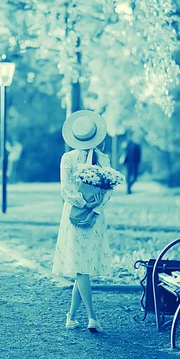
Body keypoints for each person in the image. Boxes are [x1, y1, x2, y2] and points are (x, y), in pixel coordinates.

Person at [52, 110, 114, 333]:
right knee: (81, 268)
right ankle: (92, 317)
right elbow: (66, 189)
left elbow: (108, 190)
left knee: (83, 267)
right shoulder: (68, 158)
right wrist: (84, 202)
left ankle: (71, 317)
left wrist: (96, 206)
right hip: (75, 216)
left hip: (95, 217)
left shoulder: (103, 159)